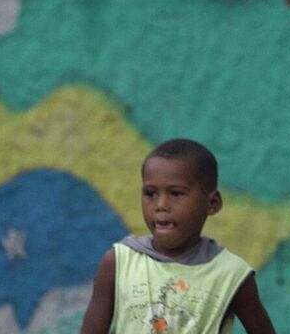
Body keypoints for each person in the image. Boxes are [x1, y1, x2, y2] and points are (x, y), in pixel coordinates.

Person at [79, 139, 277, 334]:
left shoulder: (231, 275)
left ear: (212, 203)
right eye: (150, 193)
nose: (160, 205)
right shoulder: (119, 263)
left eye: (176, 193)